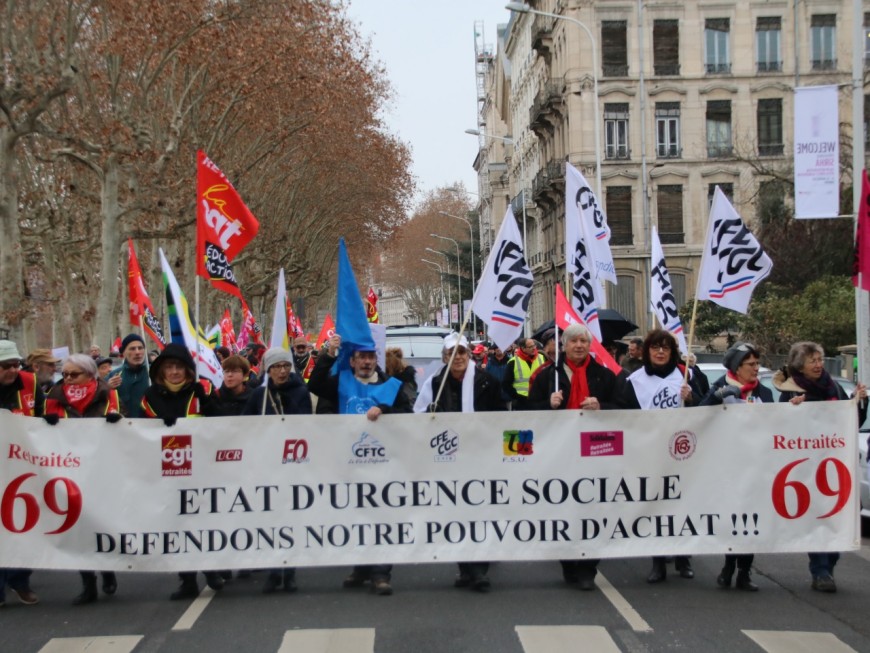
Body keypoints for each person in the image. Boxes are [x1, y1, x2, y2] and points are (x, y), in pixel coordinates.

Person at [309, 333, 412, 596]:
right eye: (361, 357)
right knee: (355, 516)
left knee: (382, 517)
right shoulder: (341, 382)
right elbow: (316, 385)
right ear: (352, 361)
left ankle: (381, 573)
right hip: (349, 464)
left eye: (370, 357)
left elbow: (407, 415)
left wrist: (385, 411)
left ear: (376, 360)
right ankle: (362, 567)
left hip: (383, 464)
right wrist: (328, 354)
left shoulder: (391, 386)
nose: (366, 362)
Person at [526, 324, 620, 591]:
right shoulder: (547, 377)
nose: (579, 345)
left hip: (596, 454)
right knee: (562, 510)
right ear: (564, 345)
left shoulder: (605, 376)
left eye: (583, 341)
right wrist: (548, 405)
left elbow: (625, 409)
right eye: (573, 341)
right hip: (559, 455)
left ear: (589, 345)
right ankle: (568, 562)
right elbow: (527, 413)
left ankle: (588, 568)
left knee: (594, 510)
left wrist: (602, 406)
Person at [773, 341, 868, 593]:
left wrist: (859, 402)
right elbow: (780, 426)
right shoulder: (790, 391)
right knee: (816, 516)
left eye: (820, 360)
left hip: (834, 462)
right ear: (799, 365)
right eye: (812, 361)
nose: (818, 365)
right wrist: (794, 410)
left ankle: (830, 563)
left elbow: (851, 421)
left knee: (836, 515)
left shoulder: (833, 387)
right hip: (807, 465)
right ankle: (820, 569)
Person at [414, 333, 503, 592]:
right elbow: (418, 414)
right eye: (451, 353)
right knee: (455, 515)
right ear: (444, 357)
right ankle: (465, 568)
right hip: (448, 458)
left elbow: (500, 416)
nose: (457, 357)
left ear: (469, 354)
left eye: (461, 352)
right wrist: (430, 415)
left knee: (480, 512)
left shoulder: (487, 381)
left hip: (480, 456)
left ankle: (479, 570)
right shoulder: (435, 382)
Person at [140, 344, 225, 600]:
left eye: (179, 367)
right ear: (161, 371)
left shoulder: (204, 389)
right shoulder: (149, 397)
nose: (175, 372)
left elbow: (224, 422)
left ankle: (211, 569)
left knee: (204, 521)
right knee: (176, 525)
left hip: (202, 467)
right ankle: (187, 580)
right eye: (169, 367)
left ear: (188, 370)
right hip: (168, 470)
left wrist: (207, 402)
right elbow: (139, 431)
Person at [619, 329, 701, 584]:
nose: (661, 352)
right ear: (648, 351)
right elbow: (625, 415)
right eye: (656, 347)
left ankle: (684, 558)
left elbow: (707, 409)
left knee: (682, 505)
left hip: (683, 453)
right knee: (655, 506)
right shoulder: (635, 381)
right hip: (650, 452)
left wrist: (691, 398)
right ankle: (657, 562)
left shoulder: (687, 375)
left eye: (666, 347)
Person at [44, 353, 124, 605]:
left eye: (74, 374)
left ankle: (108, 570)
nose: (68, 378)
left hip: (101, 467)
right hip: (70, 469)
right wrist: (46, 423)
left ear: (90, 375)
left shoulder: (107, 394)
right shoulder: (54, 396)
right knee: (77, 527)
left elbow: (120, 420)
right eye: (65, 374)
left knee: (100, 522)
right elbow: (44, 431)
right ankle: (87, 582)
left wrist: (116, 420)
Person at [700, 342, 773, 592]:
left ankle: (744, 571)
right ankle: (728, 565)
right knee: (732, 518)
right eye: (751, 364)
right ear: (737, 367)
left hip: (755, 466)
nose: (756, 368)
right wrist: (715, 397)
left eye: (757, 363)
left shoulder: (764, 393)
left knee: (752, 519)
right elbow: (699, 415)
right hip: (727, 466)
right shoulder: (719, 387)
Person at [243, 348, 312, 593]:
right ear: (268, 370)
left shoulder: (300, 392)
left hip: (292, 464)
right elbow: (244, 424)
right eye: (276, 367)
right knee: (270, 518)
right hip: (266, 464)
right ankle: (273, 571)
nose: (282, 371)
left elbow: (306, 422)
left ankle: (290, 572)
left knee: (290, 519)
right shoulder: (259, 395)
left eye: (285, 366)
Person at [0, 340, 43, 607]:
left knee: (25, 525)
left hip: (24, 466)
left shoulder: (30, 382)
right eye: (6, 366)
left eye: (16, 364)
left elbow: (44, 414)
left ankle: (20, 580)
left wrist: (51, 421)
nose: (13, 370)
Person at [107, 334, 150, 418]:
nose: (137, 352)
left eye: (140, 348)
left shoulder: (154, 373)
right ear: (123, 353)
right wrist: (107, 387)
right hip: (123, 424)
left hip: (151, 424)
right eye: (132, 349)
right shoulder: (114, 375)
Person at [502, 337, 547, 410]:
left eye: (534, 345)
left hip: (539, 400)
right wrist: (516, 397)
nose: (534, 348)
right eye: (530, 347)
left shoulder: (542, 358)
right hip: (521, 402)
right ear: (523, 349)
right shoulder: (513, 362)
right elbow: (506, 384)